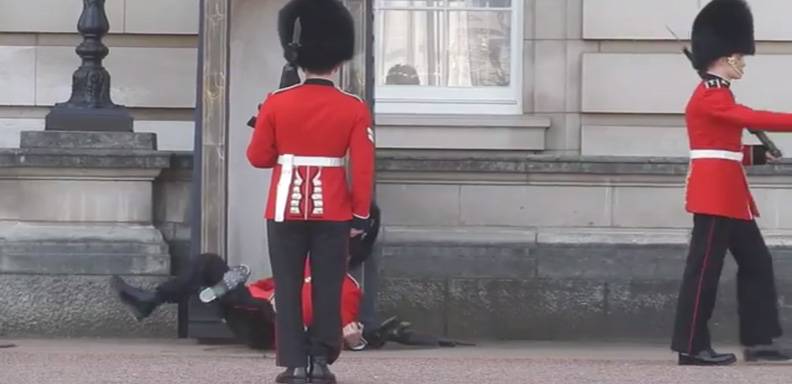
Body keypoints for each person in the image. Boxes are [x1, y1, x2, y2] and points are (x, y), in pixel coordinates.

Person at [246, 0, 375, 381]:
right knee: (327, 287)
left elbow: (258, 158)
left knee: (287, 286)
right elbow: (363, 167)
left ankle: (294, 364)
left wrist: (264, 116)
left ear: (298, 60)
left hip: (284, 208)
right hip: (334, 210)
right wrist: (360, 214)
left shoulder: (276, 102)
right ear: (337, 61)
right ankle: (321, 361)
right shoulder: (353, 107)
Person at [671, 0, 792, 366]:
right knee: (703, 271)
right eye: (740, 56)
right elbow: (751, 117)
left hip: (730, 194)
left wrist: (756, 155)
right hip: (714, 196)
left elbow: (723, 147)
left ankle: (761, 341)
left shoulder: (719, 93)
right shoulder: (710, 95)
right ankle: (692, 345)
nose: (743, 63)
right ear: (725, 57)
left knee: (757, 262)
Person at [110, 204, 380, 352]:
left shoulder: (347, 288)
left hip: (270, 331)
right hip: (251, 307)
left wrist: (354, 342)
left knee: (263, 308)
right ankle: (152, 300)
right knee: (209, 262)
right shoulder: (305, 264)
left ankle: (225, 294)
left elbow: (338, 334)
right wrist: (248, 290)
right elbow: (269, 285)